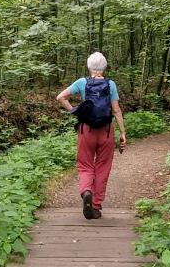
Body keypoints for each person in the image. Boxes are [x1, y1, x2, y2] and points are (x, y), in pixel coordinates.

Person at [56, 52, 126, 219]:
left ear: (89, 66)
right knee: (103, 167)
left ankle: (87, 191)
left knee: (85, 165)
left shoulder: (82, 82)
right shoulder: (111, 85)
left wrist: (75, 110)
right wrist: (123, 132)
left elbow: (61, 97)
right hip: (106, 131)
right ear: (105, 67)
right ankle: (95, 205)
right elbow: (116, 110)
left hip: (86, 129)